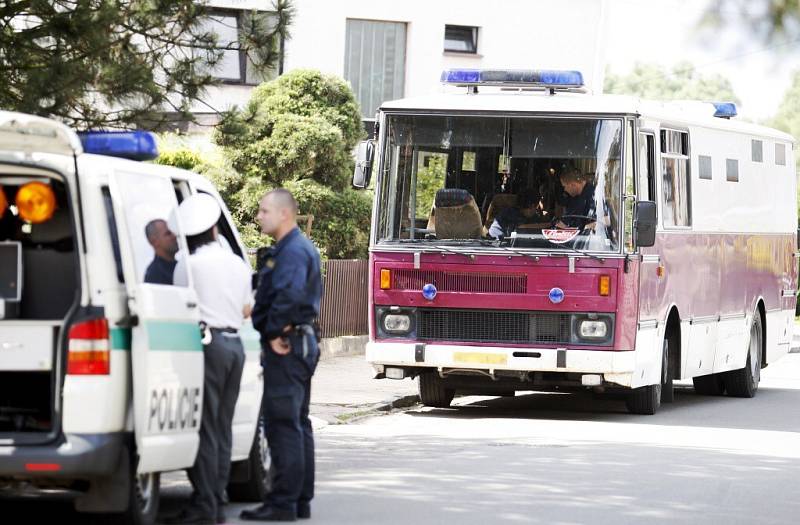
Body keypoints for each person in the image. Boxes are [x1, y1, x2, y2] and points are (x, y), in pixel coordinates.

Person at [165, 194, 253, 525]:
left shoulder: (188, 265)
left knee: (206, 427)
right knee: (223, 426)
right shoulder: (237, 264)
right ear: (215, 229)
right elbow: (247, 309)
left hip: (209, 345)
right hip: (235, 345)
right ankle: (217, 497)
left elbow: (177, 306)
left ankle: (206, 502)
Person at [240, 189, 322, 522]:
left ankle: (283, 502)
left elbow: (288, 295)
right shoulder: (293, 248)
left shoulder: (292, 252)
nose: (258, 217)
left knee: (283, 424)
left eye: (263, 211)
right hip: (300, 342)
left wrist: (273, 331)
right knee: (297, 423)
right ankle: (298, 499)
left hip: (287, 345)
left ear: (284, 214)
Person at [143, 218, 178, 284]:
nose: (174, 236)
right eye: (168, 233)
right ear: (154, 241)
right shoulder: (155, 276)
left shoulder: (179, 266)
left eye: (173, 232)